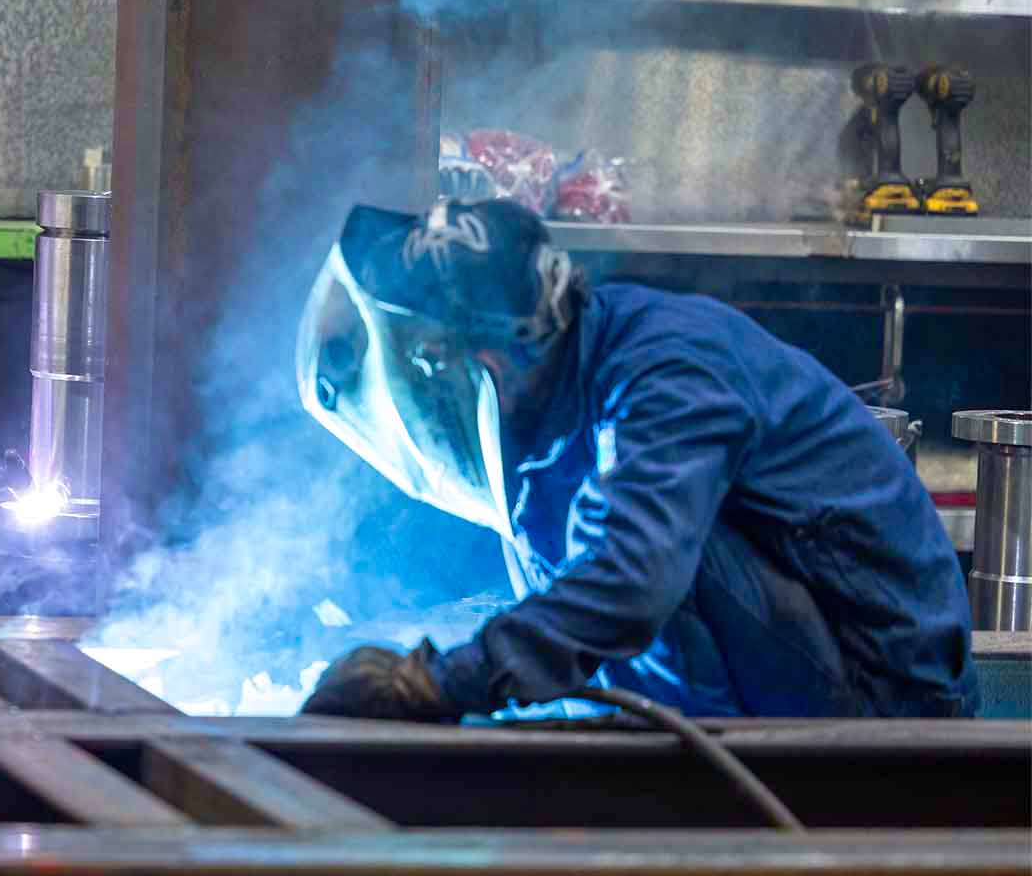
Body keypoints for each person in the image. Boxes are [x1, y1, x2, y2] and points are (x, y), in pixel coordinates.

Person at [297, 198, 976, 720]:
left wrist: (436, 684)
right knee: (552, 523)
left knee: (632, 553)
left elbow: (632, 579)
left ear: (491, 357)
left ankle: (698, 792)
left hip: (886, 697)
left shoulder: (665, 374)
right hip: (808, 661)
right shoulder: (565, 383)